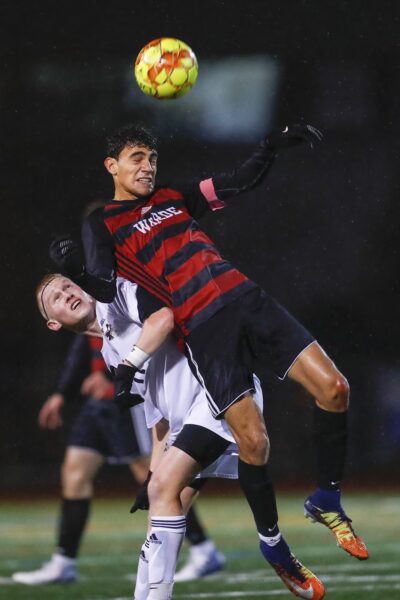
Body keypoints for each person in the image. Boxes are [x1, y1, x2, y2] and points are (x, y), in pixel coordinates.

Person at [35, 273, 325, 600]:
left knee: (163, 490)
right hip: (187, 420)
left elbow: (163, 318)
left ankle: (271, 548)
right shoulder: (109, 350)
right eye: (56, 298)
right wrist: (151, 473)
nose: (66, 294)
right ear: (53, 324)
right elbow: (158, 416)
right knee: (158, 516)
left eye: (67, 285)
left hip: (220, 393)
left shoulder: (115, 299)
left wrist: (130, 365)